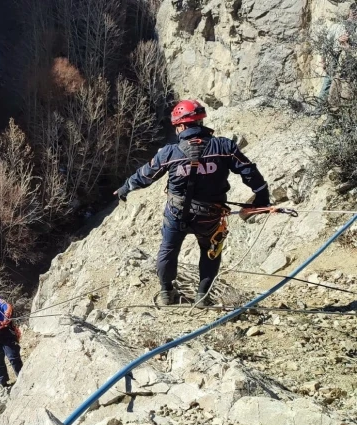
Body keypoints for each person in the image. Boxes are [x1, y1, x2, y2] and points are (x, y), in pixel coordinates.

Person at [112, 100, 270, 307]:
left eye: (177, 126)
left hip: (176, 214)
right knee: (210, 252)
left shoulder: (169, 153)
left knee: (168, 248)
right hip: (210, 215)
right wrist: (262, 197)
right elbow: (249, 171)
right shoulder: (224, 147)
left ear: (182, 125)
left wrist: (125, 189)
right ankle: (203, 296)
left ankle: (167, 292)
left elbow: (145, 175)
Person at [318, 3, 357, 103]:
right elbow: (326, 44)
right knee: (328, 83)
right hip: (335, 58)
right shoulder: (337, 26)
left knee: (345, 87)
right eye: (353, 10)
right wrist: (322, 61)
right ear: (349, 11)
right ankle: (319, 109)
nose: (354, 12)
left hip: (351, 61)